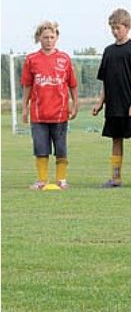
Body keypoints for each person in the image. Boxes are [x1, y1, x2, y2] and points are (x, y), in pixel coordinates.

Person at [91, 8, 131, 188]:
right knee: (116, 139)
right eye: (113, 28)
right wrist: (100, 102)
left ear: (128, 27)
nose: (115, 32)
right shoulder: (108, 51)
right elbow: (106, 81)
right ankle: (116, 178)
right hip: (114, 106)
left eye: (118, 28)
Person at [21, 21, 78, 190]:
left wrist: (75, 104)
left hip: (60, 113)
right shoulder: (31, 60)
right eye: (45, 37)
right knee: (40, 148)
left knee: (61, 148)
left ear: (57, 37)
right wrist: (24, 107)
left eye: (52, 37)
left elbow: (72, 85)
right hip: (38, 114)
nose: (49, 40)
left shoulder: (64, 59)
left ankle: (61, 179)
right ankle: (42, 180)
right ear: (39, 38)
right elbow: (27, 86)